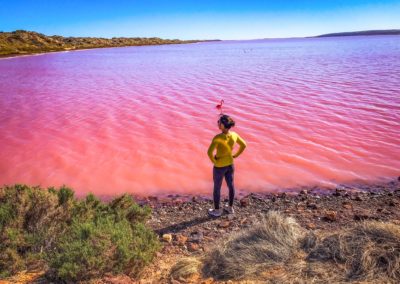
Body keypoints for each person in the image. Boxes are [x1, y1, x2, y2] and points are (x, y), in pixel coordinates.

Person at [207, 114, 247, 217]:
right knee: (231, 185)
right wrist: (236, 155)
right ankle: (230, 208)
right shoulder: (234, 135)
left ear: (224, 125)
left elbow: (209, 152)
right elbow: (244, 145)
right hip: (230, 164)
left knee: (217, 188)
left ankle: (217, 210)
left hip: (219, 167)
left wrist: (214, 162)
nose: (218, 123)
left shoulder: (218, 137)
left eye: (219, 122)